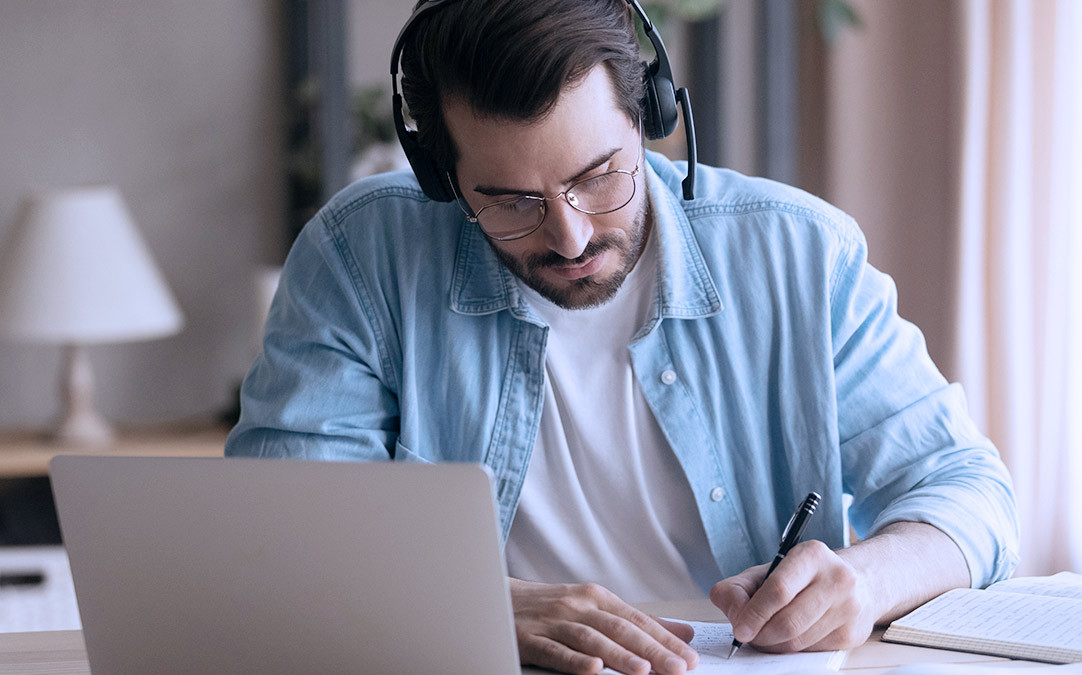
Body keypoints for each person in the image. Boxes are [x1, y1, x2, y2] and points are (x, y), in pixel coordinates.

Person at [226, 1, 1019, 673]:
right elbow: (279, 539)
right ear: (444, 179)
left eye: (599, 175)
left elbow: (970, 495)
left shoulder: (801, 253)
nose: (570, 236)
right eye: (509, 201)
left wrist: (864, 580)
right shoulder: (360, 256)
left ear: (652, 118)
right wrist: (483, 607)